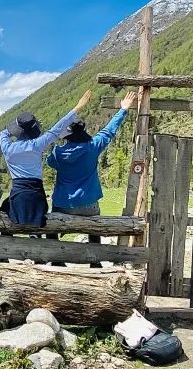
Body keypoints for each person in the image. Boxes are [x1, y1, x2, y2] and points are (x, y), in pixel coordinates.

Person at [48, 91, 137, 266]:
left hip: (63, 206)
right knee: (95, 222)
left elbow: (50, 162)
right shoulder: (93, 147)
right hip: (89, 205)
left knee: (51, 224)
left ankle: (57, 259)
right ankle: (95, 261)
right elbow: (108, 131)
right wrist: (123, 110)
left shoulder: (57, 153)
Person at [0, 90, 92, 227]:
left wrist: (16, 127)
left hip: (18, 197)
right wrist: (77, 107)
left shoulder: (7, 148)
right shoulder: (37, 145)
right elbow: (56, 129)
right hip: (37, 196)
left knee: (5, 210)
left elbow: (3, 133)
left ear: (17, 131)